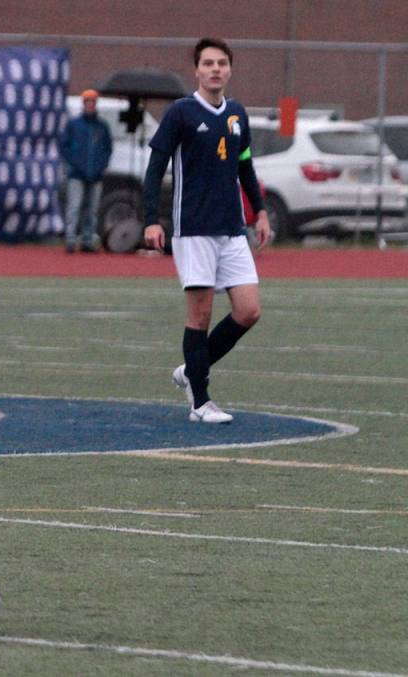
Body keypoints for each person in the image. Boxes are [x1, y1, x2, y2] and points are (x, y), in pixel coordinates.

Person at [142, 37, 271, 424]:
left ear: (230, 69)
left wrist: (260, 212)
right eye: (208, 63)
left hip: (232, 229)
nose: (215, 69)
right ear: (196, 70)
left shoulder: (237, 114)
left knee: (248, 311)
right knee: (199, 316)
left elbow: (244, 166)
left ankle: (189, 371)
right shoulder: (180, 113)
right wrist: (151, 218)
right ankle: (200, 402)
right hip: (194, 228)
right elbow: (155, 169)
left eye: (222, 63)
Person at [59, 88, 113, 253]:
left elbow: (107, 149)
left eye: (93, 102)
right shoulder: (74, 125)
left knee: (92, 210)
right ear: (84, 104)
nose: (90, 105)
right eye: (88, 102)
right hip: (76, 174)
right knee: (74, 207)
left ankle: (88, 240)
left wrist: (101, 166)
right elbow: (64, 147)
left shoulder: (102, 126)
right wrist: (74, 164)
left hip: (95, 175)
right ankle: (70, 239)